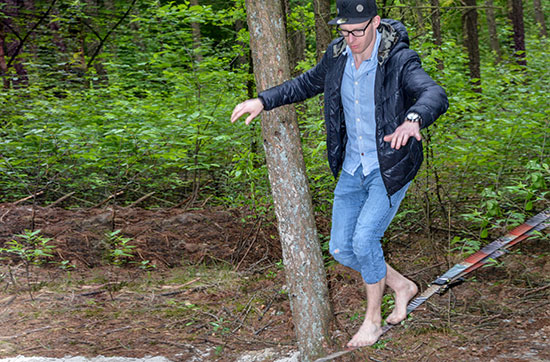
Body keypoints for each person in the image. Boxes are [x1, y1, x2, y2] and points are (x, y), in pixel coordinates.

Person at [230, 0, 448, 348]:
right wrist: (263, 101)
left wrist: (413, 119)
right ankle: (402, 285)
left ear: (376, 23)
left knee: (364, 241)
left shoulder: (399, 59)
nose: (350, 39)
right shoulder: (337, 57)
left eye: (357, 31)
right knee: (341, 249)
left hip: (388, 167)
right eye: (344, 31)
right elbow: (303, 85)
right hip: (351, 167)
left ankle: (373, 321)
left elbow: (433, 93)